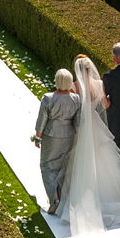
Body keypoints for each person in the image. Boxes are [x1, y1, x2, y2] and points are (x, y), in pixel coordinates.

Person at [56, 55, 120, 236]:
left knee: (78, 159)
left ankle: (77, 198)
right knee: (101, 160)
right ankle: (105, 196)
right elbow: (106, 105)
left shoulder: (75, 87)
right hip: (95, 124)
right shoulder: (99, 84)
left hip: (81, 126)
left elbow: (72, 108)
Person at [33, 69, 81, 214]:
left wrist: (37, 137)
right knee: (64, 166)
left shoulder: (48, 98)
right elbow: (77, 121)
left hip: (51, 136)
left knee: (47, 166)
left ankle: (54, 198)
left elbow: (42, 120)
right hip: (69, 135)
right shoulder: (76, 99)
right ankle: (63, 196)